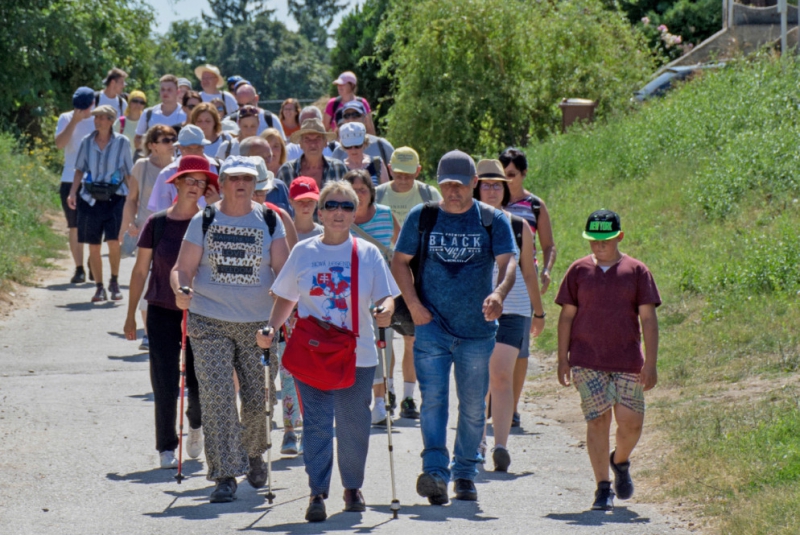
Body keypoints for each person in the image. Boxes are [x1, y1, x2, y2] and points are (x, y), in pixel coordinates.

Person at [256, 180, 399, 522]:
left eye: (346, 207)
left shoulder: (367, 254)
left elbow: (385, 296)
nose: (339, 212)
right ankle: (317, 492)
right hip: (313, 353)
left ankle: (352, 487)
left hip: (358, 354)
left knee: (353, 425)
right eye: (332, 206)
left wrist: (386, 308)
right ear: (320, 212)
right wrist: (271, 329)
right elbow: (287, 296)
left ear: (355, 214)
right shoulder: (303, 252)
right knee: (317, 424)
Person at [391, 150, 517, 505]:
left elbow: (508, 263)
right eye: (446, 185)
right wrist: (414, 305)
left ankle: (464, 472)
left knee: (474, 405)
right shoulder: (423, 216)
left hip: (477, 330)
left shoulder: (492, 220)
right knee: (433, 401)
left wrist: (498, 292)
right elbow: (399, 262)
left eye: (460, 186)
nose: (453, 192)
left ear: (474, 184)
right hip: (431, 325)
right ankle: (434, 471)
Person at [171, 155, 290, 503]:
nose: (242, 184)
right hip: (209, 320)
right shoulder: (204, 219)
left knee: (258, 397)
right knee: (217, 395)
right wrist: (181, 289)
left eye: (248, 179)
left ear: (256, 184)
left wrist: (281, 313)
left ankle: (254, 454)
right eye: (234, 178)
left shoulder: (270, 220)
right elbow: (182, 268)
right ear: (221, 183)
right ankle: (224, 472)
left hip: (258, 324)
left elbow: (284, 272)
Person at [555, 209, 661, 511]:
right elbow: (566, 317)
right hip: (587, 361)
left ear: (619, 237)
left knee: (631, 424)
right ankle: (602, 487)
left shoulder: (637, 271)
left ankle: (620, 460)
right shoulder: (577, 271)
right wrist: (563, 358)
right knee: (597, 420)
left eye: (606, 240)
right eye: (594, 241)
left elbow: (649, 320)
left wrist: (650, 362)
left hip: (628, 361)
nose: (599, 246)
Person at [123, 155, 215, 469]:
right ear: (175, 182)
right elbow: (139, 271)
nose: (195, 186)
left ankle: (196, 424)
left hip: (200, 311)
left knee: (199, 380)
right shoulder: (157, 222)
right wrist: (131, 313)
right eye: (189, 179)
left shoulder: (210, 222)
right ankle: (165, 445)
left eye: (201, 182)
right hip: (162, 309)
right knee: (163, 381)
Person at [473, 159, 545, 472]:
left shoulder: (519, 226)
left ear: (505, 188)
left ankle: (500, 445)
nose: (491, 190)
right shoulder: (465, 222)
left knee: (501, 374)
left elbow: (529, 272)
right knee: (477, 380)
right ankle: (476, 442)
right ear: (476, 187)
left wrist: (539, 312)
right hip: (474, 311)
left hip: (514, 309)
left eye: (497, 184)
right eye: (485, 184)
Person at [375, 147, 441, 418]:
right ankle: (389, 390)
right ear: (390, 169)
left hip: (418, 275)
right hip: (383, 273)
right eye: (398, 174)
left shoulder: (429, 195)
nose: (402, 180)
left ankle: (408, 398)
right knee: (386, 336)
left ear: (418, 170)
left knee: (413, 338)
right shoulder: (378, 194)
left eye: (408, 174)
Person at [498, 147, 558, 429]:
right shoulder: (489, 201)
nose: (507, 181)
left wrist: (545, 270)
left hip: (524, 280)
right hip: (493, 278)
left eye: (511, 175)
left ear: (523, 174)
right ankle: (493, 396)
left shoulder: (535, 206)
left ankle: (512, 405)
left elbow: (548, 245)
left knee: (520, 349)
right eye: (502, 175)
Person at [344, 169, 400, 426]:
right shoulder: (340, 218)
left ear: (371, 192)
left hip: (381, 292)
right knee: (357, 349)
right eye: (353, 190)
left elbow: (400, 250)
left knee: (382, 344)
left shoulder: (387, 215)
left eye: (363, 189)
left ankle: (381, 400)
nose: (358, 194)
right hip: (350, 294)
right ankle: (362, 398)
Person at [67, 105, 133, 303]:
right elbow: (79, 169)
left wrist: (133, 199)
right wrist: (72, 192)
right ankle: (98, 287)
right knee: (93, 246)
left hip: (115, 197)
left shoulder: (122, 142)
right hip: (90, 198)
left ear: (112, 121)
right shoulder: (87, 142)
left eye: (103, 118)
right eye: (96, 117)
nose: (98, 121)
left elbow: (129, 173)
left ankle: (114, 281)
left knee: (114, 242)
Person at [119, 125, 176, 349]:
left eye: (173, 138)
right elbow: (132, 198)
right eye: (165, 139)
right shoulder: (142, 166)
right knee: (146, 280)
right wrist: (129, 223)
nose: (171, 143)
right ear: (152, 145)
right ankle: (148, 333)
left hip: (172, 229)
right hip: (147, 229)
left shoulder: (178, 168)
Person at [56, 86, 96, 283]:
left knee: (93, 226)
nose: (83, 111)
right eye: (78, 107)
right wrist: (74, 121)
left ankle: (92, 260)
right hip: (69, 179)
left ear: (93, 104)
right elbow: (59, 144)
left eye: (85, 107)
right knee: (75, 227)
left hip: (94, 182)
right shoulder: (65, 118)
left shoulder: (100, 119)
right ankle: (79, 268)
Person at [147, 125, 218, 213]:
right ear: (180, 148)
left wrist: (217, 203)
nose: (194, 153)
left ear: (203, 147)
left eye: (198, 148)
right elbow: (161, 214)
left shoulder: (219, 168)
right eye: (189, 148)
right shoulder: (166, 174)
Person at [277, 119, 348, 189]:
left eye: (317, 138)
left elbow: (349, 198)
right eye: (307, 139)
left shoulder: (338, 168)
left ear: (325, 142)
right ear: (300, 144)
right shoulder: (286, 171)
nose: (313, 144)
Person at [239, 136, 293, 214]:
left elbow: (291, 218)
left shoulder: (280, 187)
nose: (268, 161)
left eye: (269, 156)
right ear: (244, 158)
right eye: (261, 158)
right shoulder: (236, 189)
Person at [134, 75, 186, 151]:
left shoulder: (185, 114)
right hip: (153, 160)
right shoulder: (148, 113)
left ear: (178, 92)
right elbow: (136, 141)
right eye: (162, 89)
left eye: (169, 90)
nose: (165, 92)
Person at [289, 177, 323, 241]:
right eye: (300, 201)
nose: (306, 206)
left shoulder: (325, 234)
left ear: (317, 201)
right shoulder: (283, 235)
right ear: (291, 201)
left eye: (310, 201)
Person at [122, 90, 146, 158]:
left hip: (141, 163)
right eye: (135, 101)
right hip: (123, 163)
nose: (138, 104)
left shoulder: (147, 122)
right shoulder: (120, 122)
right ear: (129, 102)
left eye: (142, 102)